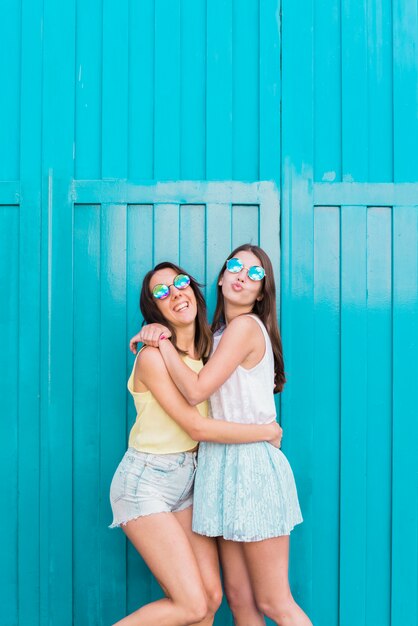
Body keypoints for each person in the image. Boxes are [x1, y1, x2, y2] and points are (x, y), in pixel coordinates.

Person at [131, 244, 312, 626]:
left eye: (254, 273)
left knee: (274, 602)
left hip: (252, 467)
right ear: (220, 277)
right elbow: (187, 366)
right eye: (235, 266)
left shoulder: (246, 327)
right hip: (217, 469)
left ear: (262, 292)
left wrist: (160, 345)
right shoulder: (214, 337)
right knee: (241, 603)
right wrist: (156, 332)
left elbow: (196, 390)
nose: (242, 275)